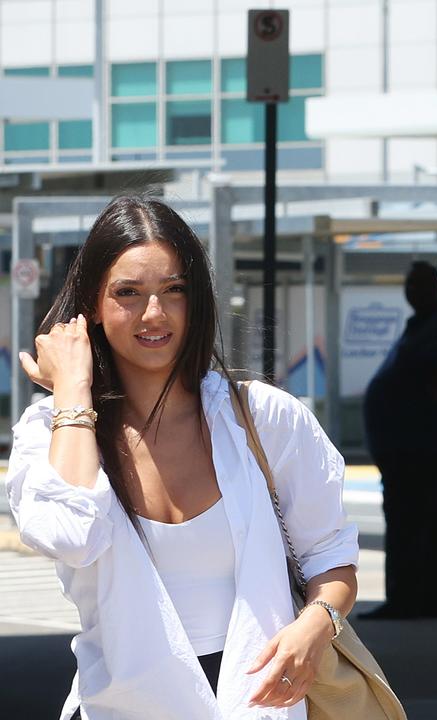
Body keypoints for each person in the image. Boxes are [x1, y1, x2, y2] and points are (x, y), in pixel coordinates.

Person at [5, 196, 359, 719]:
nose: (154, 314)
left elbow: (331, 556)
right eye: (128, 293)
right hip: (117, 709)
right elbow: (71, 537)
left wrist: (314, 626)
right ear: (93, 308)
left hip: (257, 705)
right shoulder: (50, 432)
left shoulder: (262, 417)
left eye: (174, 290)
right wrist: (74, 392)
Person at [360, 261, 437, 620]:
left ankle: (425, 599)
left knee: (422, 522)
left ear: (435, 287)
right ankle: (410, 597)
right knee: (409, 522)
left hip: (425, 447)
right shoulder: (424, 326)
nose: (412, 292)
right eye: (409, 284)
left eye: (418, 284)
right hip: (407, 446)